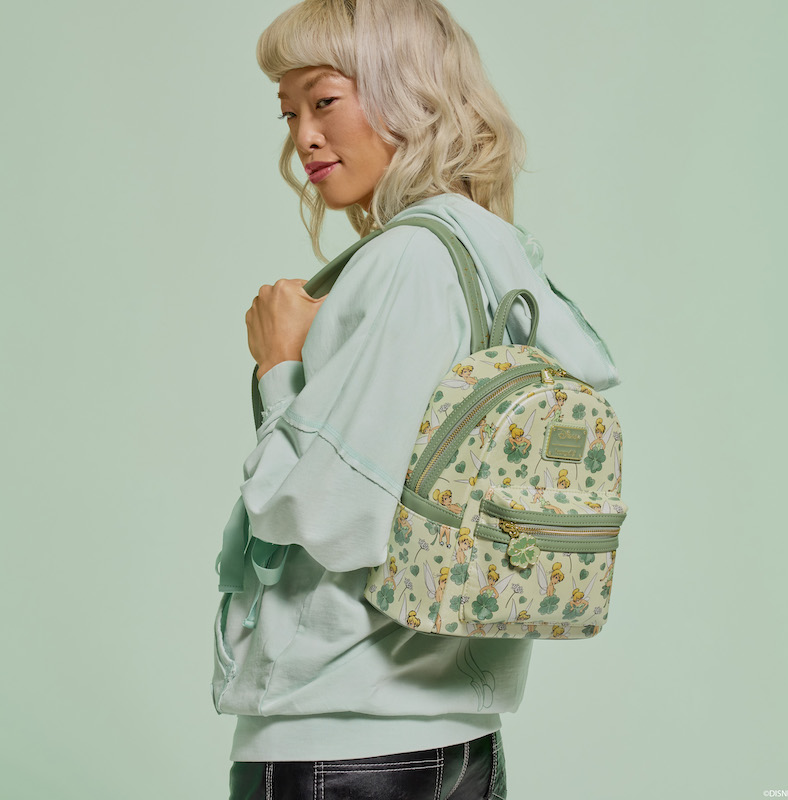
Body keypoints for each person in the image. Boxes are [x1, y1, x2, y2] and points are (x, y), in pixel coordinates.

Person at [212, 1, 620, 798]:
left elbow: (326, 513)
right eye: (289, 111)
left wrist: (280, 364)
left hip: (341, 741)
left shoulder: (405, 262)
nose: (303, 137)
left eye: (325, 100)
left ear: (409, 92)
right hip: (458, 734)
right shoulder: (490, 250)